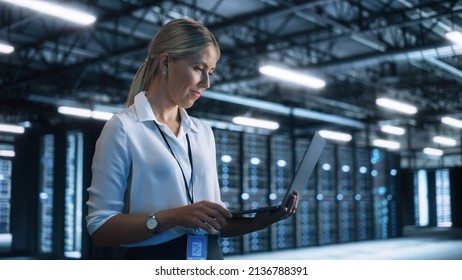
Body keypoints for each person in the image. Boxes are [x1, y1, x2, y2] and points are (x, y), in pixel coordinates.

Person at [86, 18, 298, 260]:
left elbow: (213, 222)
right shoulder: (124, 127)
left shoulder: (202, 132)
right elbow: (100, 229)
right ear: (166, 62)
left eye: (211, 72)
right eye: (199, 68)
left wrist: (259, 221)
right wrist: (174, 216)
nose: (207, 83)